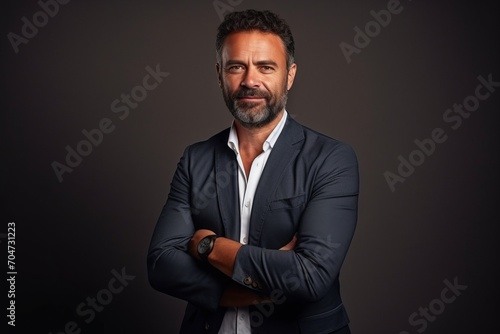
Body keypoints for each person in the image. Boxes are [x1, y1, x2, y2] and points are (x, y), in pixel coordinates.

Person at [147, 9, 359, 334]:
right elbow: (161, 264)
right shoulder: (196, 159)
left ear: (289, 75)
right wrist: (239, 293)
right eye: (236, 67)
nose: (250, 81)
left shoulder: (330, 159)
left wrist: (209, 247)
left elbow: (310, 277)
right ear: (220, 74)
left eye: (265, 67)